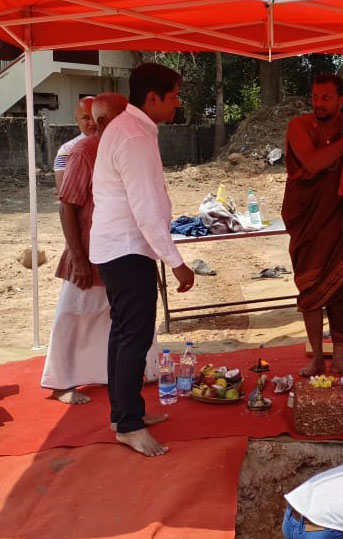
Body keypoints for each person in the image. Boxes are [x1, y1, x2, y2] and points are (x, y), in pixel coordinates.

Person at [91, 63, 194, 457]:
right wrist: (175, 260)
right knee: (132, 336)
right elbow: (146, 209)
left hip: (119, 247)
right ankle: (128, 426)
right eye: (173, 96)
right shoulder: (133, 136)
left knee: (123, 334)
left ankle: (125, 413)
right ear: (152, 98)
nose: (177, 103)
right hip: (128, 248)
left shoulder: (128, 129)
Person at [41, 93, 156, 405]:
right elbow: (68, 205)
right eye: (86, 118)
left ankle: (122, 380)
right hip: (90, 247)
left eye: (97, 117)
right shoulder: (78, 151)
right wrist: (78, 257)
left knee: (120, 320)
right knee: (73, 314)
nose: (92, 123)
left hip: (123, 249)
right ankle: (61, 381)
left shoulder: (125, 143)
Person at [282, 73, 343, 377]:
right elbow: (312, 163)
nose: (318, 103)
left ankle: (338, 354)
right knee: (309, 290)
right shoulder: (299, 126)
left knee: (342, 292)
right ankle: (316, 357)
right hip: (308, 224)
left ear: (341, 101)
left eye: (326, 98)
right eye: (315, 97)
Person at [53, 96, 95, 191]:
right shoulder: (67, 150)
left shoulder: (112, 145)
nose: (92, 122)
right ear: (77, 119)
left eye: (95, 117)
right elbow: (64, 193)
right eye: (86, 118)